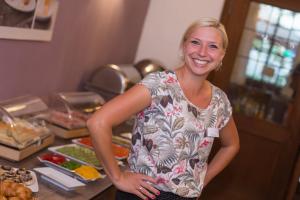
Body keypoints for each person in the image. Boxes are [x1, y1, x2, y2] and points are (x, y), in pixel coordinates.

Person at [87, 17, 240, 200]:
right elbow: (98, 122)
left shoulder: (219, 101)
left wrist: (201, 181)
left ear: (222, 55)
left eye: (213, 46)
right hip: (145, 194)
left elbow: (231, 145)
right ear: (183, 47)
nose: (202, 52)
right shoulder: (159, 85)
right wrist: (117, 177)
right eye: (195, 42)